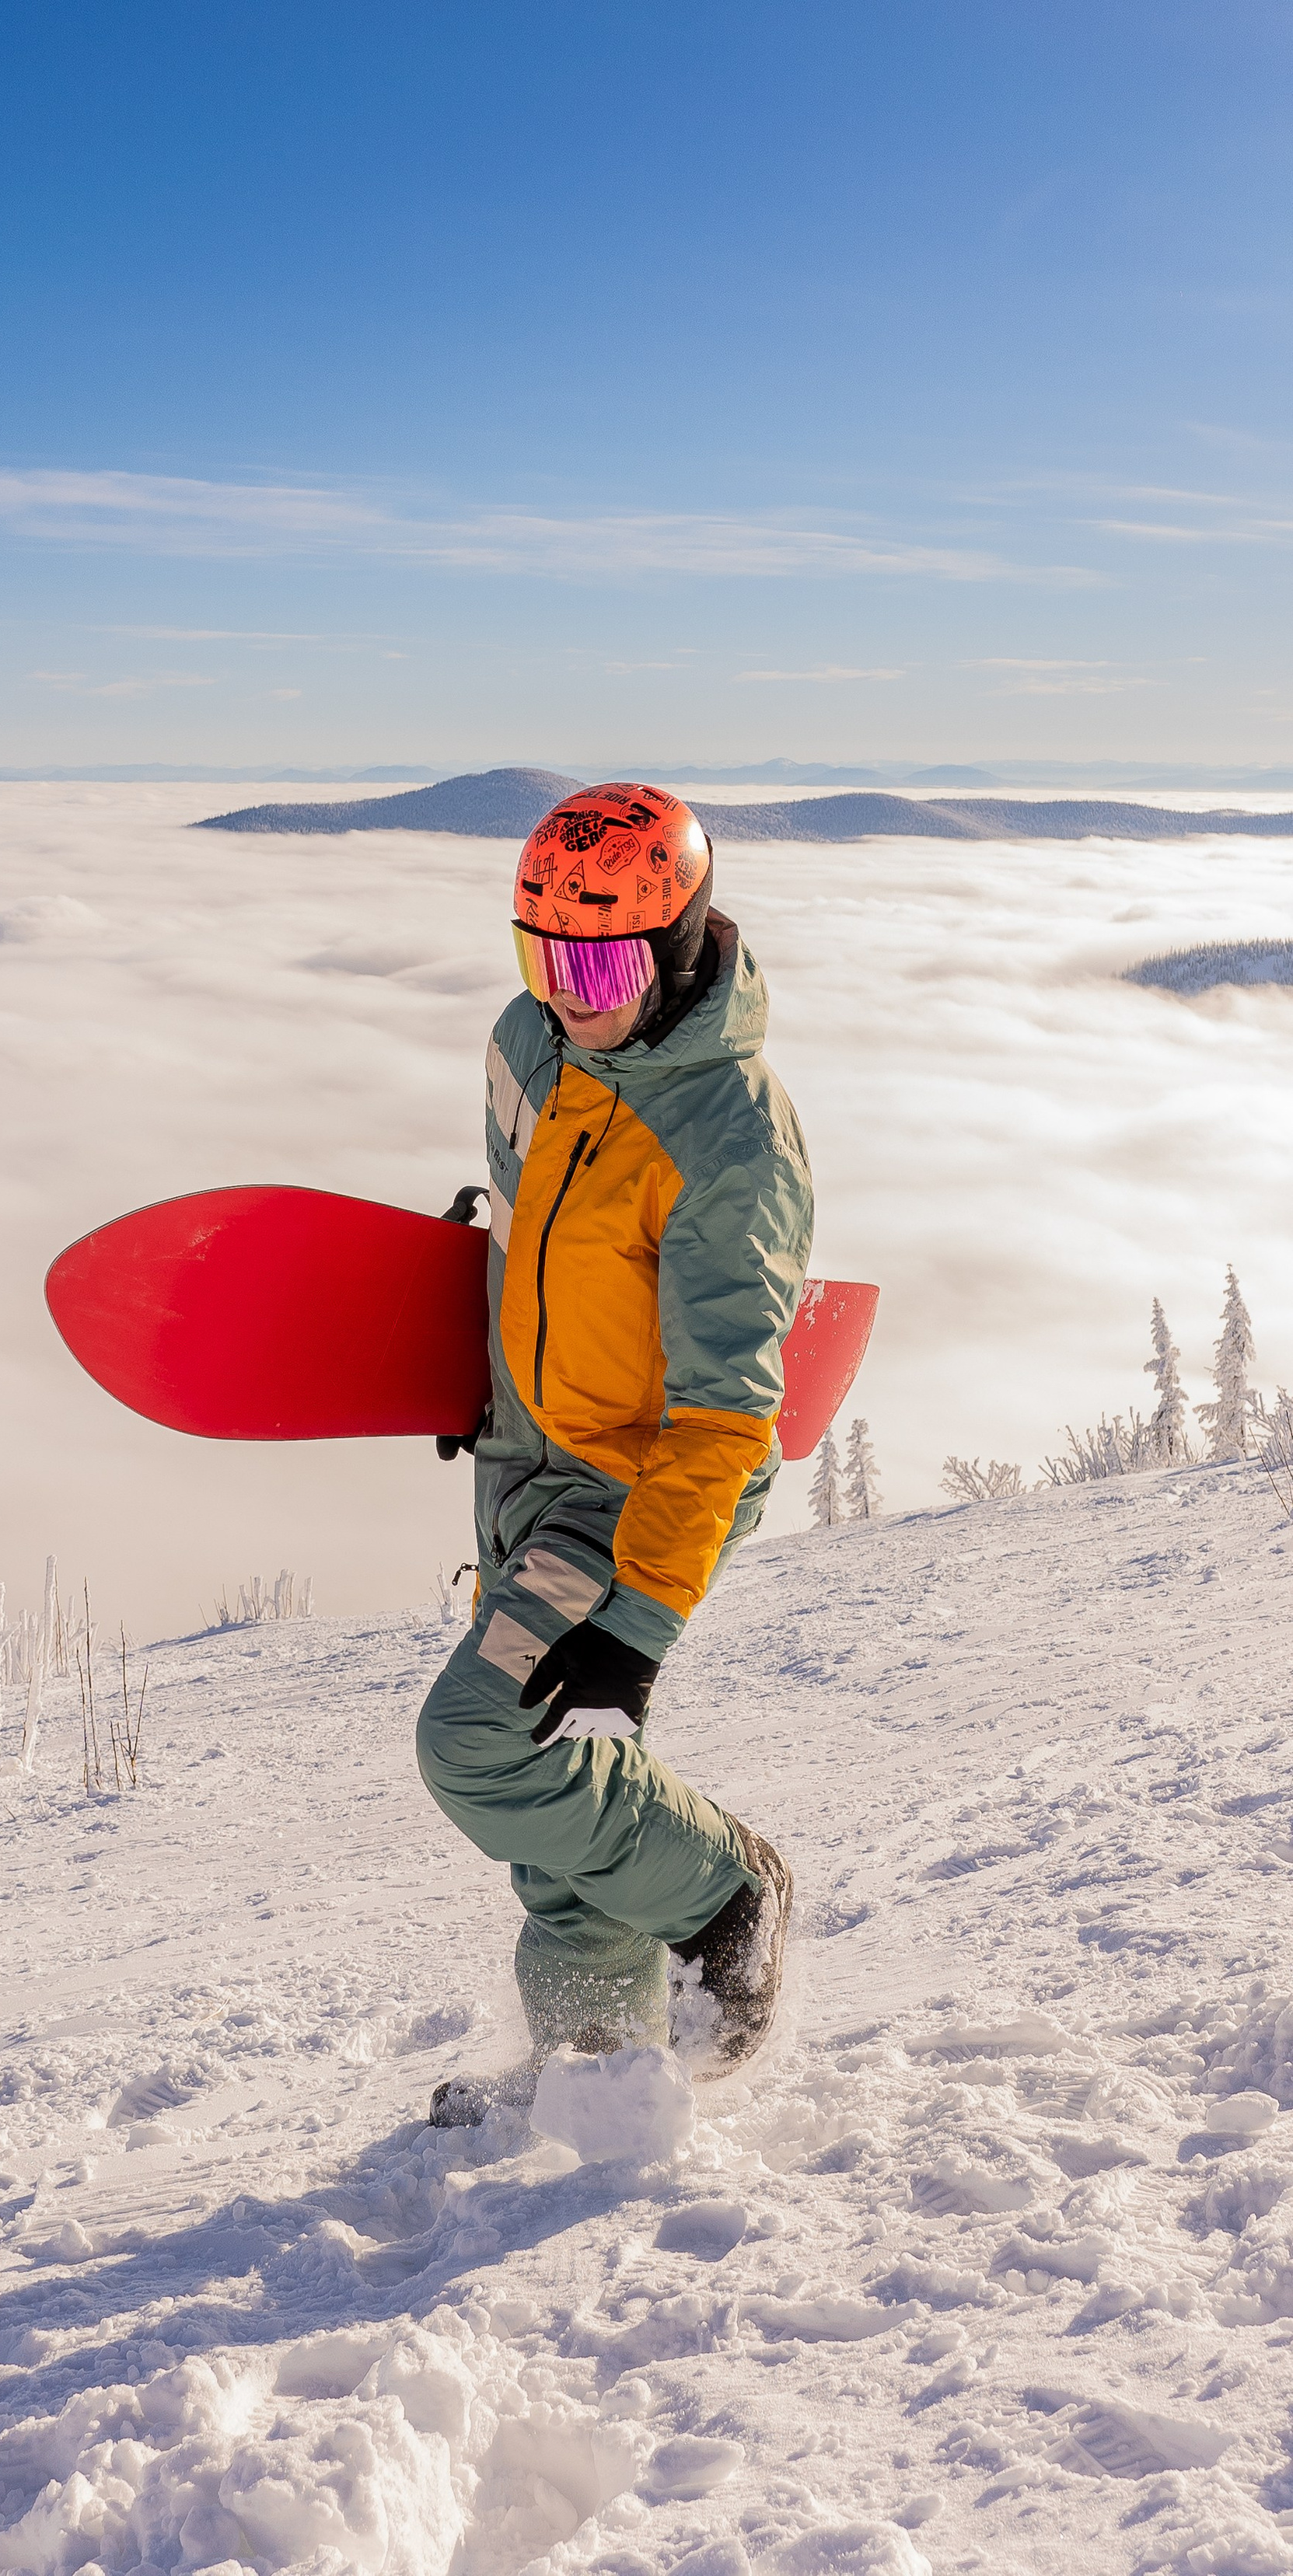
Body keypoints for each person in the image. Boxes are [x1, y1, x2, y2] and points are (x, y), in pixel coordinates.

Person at [415, 782, 813, 2114]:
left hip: (631, 1492)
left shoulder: (730, 1141)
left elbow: (724, 1414)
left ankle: (726, 1896)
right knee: (565, 1836)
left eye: (596, 962)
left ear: (679, 944)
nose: (566, 994)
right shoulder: (530, 1049)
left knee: (487, 1744)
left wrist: (635, 1625)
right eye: (541, 957)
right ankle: (601, 2076)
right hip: (523, 1465)